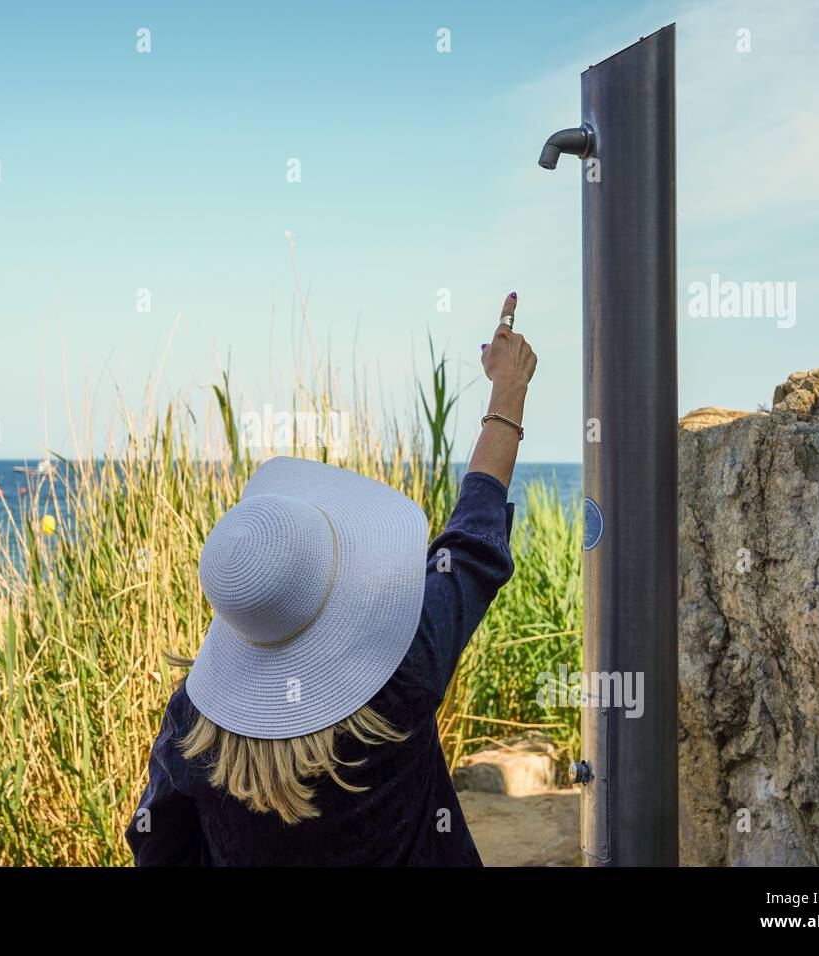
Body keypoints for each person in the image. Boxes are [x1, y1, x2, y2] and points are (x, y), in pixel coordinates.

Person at [126, 292, 537, 865]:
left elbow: (159, 844)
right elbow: (471, 546)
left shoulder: (193, 724)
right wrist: (507, 388)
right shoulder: (404, 670)